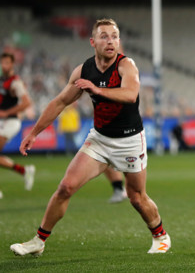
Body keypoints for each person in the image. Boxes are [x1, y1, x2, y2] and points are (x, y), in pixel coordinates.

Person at [10, 18, 171, 256]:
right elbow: (61, 101)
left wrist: (97, 90)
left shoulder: (126, 66)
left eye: (115, 36)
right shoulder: (84, 70)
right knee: (65, 187)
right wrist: (34, 133)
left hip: (129, 141)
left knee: (136, 197)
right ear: (92, 42)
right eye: (104, 36)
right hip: (99, 139)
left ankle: (161, 236)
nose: (111, 41)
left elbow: (130, 94)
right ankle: (38, 241)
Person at [0, 52, 35, 196]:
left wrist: (7, 113)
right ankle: (24, 171)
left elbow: (27, 102)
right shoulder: (2, 80)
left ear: (12, 64)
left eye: (7, 63)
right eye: (2, 62)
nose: (4, 65)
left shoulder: (15, 82)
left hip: (11, 122)